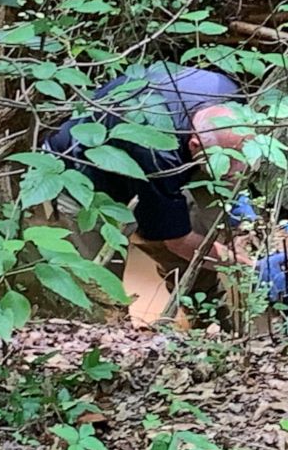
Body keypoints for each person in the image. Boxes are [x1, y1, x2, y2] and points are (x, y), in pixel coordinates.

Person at [43, 62, 256, 289]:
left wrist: (240, 224)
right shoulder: (157, 153)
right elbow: (178, 241)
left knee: (192, 263)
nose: (229, 174)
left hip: (151, 160)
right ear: (195, 145)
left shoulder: (228, 94)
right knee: (100, 285)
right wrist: (241, 264)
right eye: (223, 167)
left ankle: (207, 310)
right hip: (79, 176)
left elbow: (227, 182)